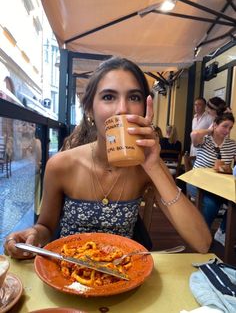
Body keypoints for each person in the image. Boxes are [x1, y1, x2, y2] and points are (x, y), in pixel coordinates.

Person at [4, 57, 211, 259]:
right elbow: (46, 227)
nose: (122, 109)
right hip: (68, 272)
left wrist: (154, 166)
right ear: (89, 110)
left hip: (124, 275)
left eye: (134, 97)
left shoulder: (147, 167)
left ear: (146, 109)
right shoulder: (61, 165)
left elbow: (202, 243)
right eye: (109, 97)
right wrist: (33, 235)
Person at [189, 112, 236, 246]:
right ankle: (201, 236)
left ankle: (222, 232)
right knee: (212, 204)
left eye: (230, 128)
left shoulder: (232, 145)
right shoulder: (205, 140)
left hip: (219, 186)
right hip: (197, 181)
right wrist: (210, 130)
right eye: (225, 126)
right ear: (215, 125)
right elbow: (194, 135)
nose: (227, 131)